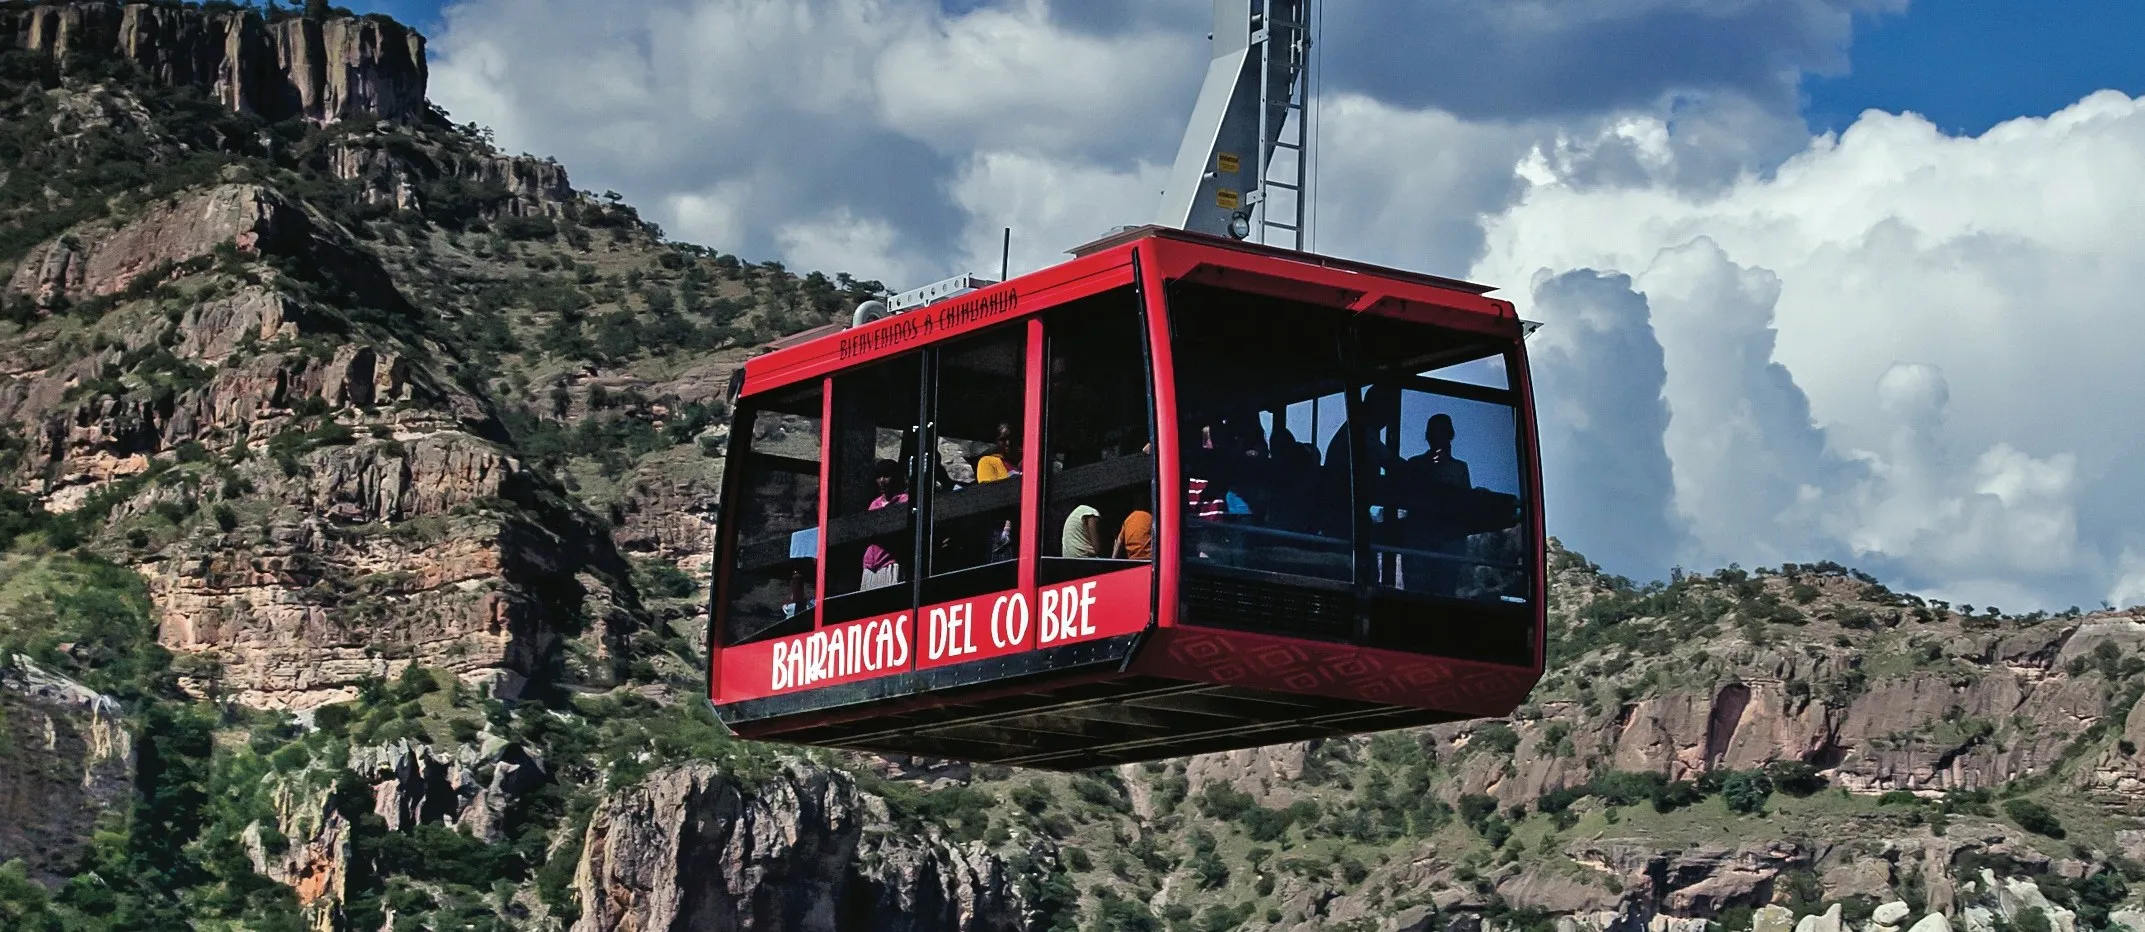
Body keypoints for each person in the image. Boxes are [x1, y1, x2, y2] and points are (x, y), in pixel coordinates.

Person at [1398, 413, 1471, 595]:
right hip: (1419, 546)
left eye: (1443, 432)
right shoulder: (1415, 465)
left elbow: (1465, 505)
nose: (1439, 438)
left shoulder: (1459, 468)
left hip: (1447, 546)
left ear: (1450, 435)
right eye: (1435, 433)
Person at [860, 459, 908, 590]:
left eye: (886, 476)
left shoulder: (903, 501)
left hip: (889, 563)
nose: (882, 480)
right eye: (879, 476)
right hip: (870, 566)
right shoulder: (874, 504)